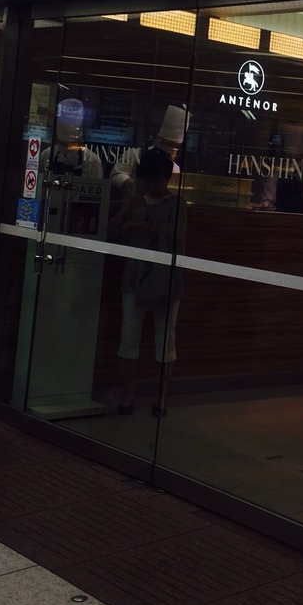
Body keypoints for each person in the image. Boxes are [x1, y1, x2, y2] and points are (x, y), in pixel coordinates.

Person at [111, 148, 188, 417]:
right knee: (130, 337)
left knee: (163, 341)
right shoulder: (137, 202)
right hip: (138, 275)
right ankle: (130, 394)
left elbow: (177, 237)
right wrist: (126, 212)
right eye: (148, 179)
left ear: (165, 178)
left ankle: (160, 397)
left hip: (162, 278)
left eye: (155, 179)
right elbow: (114, 231)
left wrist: (143, 226)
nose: (151, 185)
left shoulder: (177, 204)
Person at [110, 104, 186, 196]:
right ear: (158, 140)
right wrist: (138, 186)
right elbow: (115, 177)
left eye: (176, 146)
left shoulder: (175, 168)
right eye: (169, 144)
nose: (173, 149)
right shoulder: (135, 154)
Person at [43, 98, 103, 178]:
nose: (66, 147)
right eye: (63, 144)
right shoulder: (47, 154)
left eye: (70, 144)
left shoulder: (92, 161)